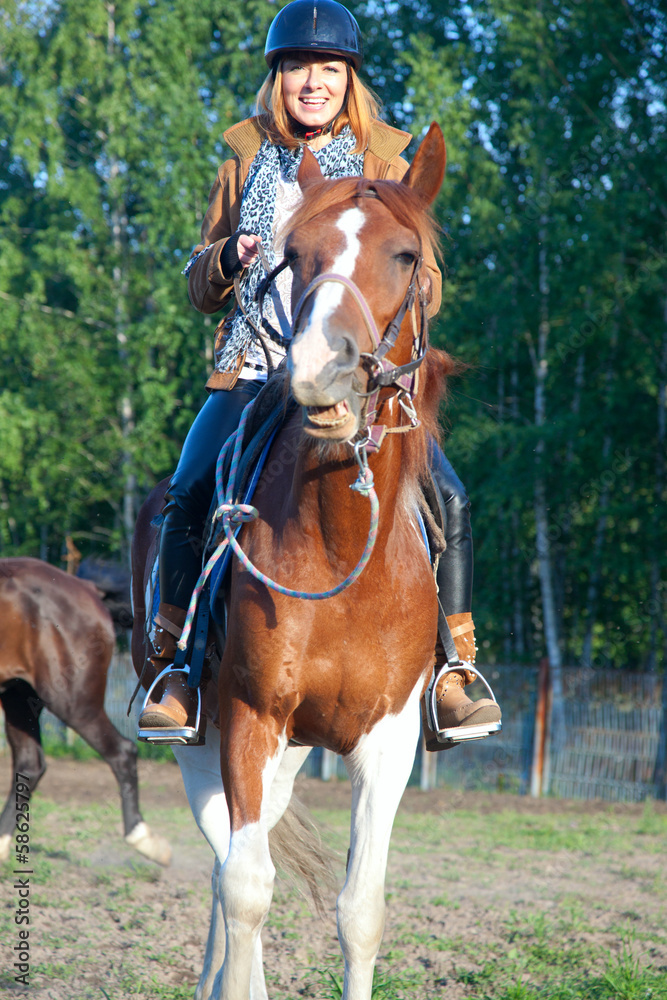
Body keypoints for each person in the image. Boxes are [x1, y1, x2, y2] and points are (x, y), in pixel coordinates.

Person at [138, 0, 501, 746]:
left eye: (328, 69)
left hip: (362, 379)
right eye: (298, 67)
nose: (313, 82)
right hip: (256, 365)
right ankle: (173, 665)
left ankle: (454, 668)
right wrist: (225, 257)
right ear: (279, 78)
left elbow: (423, 278)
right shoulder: (242, 159)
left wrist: (396, 326)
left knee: (451, 499)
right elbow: (197, 287)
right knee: (186, 492)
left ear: (348, 80)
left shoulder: (387, 162)